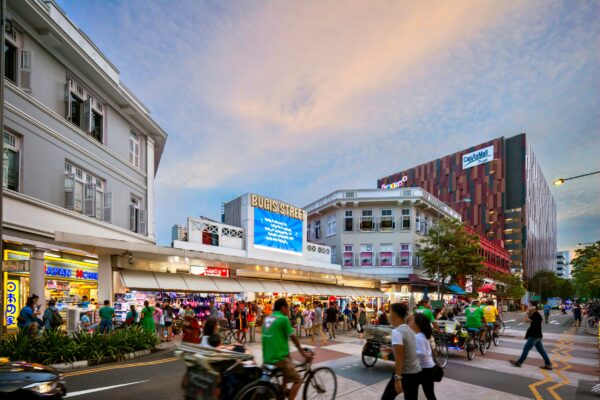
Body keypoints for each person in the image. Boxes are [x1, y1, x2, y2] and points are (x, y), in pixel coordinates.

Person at [262, 298, 313, 400]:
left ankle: (283, 390)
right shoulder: (283, 319)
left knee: (288, 364)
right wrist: (303, 353)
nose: (288, 311)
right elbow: (293, 337)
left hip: (267, 358)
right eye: (287, 308)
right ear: (283, 308)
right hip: (278, 359)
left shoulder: (267, 318)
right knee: (298, 380)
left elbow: (278, 338)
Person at [381, 303, 422, 400]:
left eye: (390, 313)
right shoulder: (410, 329)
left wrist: (397, 378)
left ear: (394, 315)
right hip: (416, 372)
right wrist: (391, 349)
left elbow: (400, 355)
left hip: (405, 374)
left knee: (386, 398)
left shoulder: (397, 332)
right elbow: (409, 348)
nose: (389, 316)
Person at [510, 302, 553, 370]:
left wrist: (527, 312)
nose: (528, 306)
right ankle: (548, 364)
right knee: (541, 351)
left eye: (529, 305)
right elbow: (539, 321)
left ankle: (519, 362)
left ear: (534, 307)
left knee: (526, 349)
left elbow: (526, 320)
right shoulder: (535, 313)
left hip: (534, 335)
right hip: (537, 335)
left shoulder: (536, 314)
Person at [410, 313, 437, 400]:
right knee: (429, 394)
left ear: (417, 324)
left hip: (423, 370)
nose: (410, 322)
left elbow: (422, 353)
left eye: (412, 320)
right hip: (427, 368)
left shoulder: (418, 337)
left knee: (414, 393)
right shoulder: (422, 335)